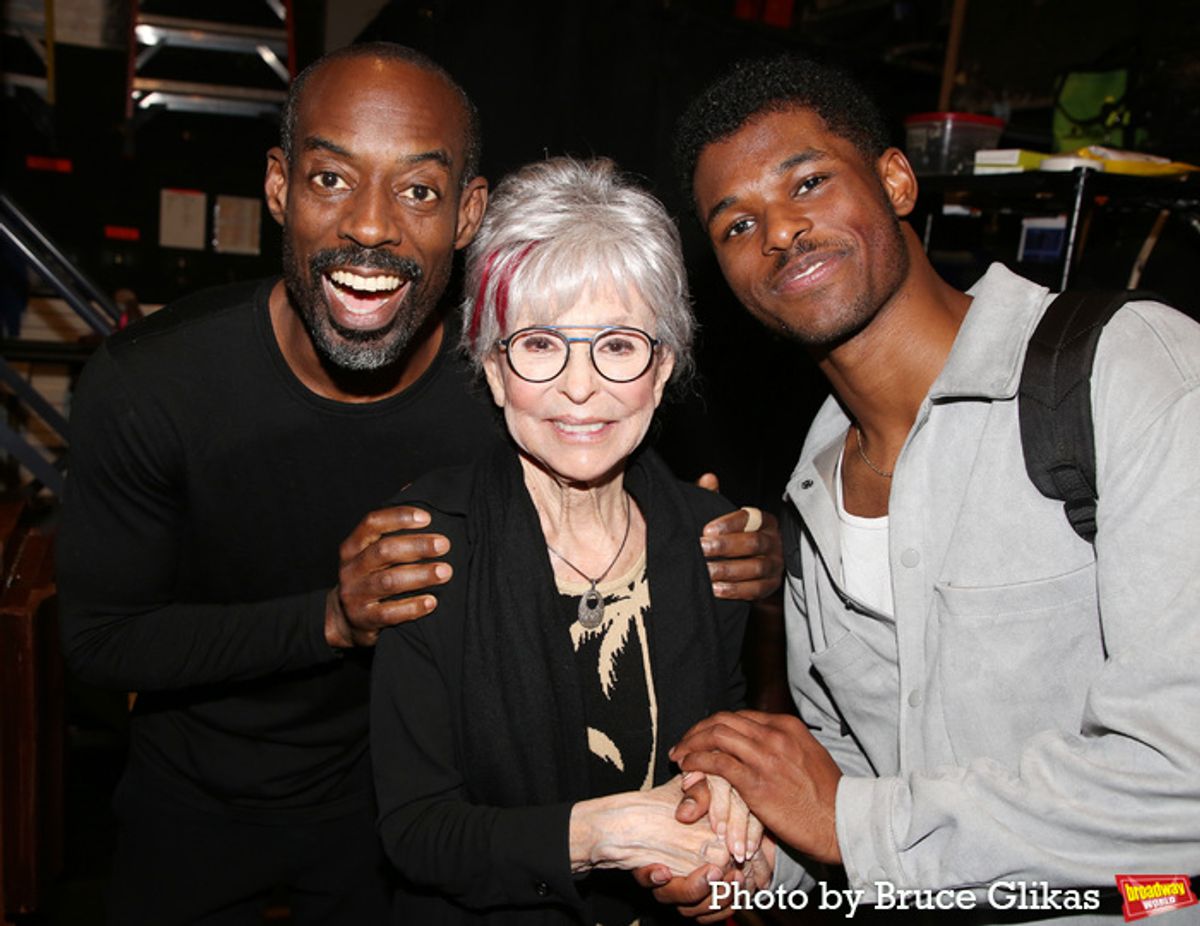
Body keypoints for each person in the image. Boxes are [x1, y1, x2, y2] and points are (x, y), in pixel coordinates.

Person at [55, 44, 780, 925]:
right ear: (279, 187)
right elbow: (98, 643)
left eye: (419, 190)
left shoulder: (509, 385)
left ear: (469, 211)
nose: (370, 226)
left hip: (409, 814)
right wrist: (329, 617)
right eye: (331, 180)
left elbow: (612, 452)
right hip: (207, 805)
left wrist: (740, 550)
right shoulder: (154, 387)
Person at [642, 54, 1200, 922]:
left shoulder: (1124, 371)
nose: (780, 233)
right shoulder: (811, 495)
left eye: (810, 183)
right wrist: (751, 868)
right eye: (736, 226)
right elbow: (851, 790)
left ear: (897, 180)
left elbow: (1185, 782)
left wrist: (848, 820)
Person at [371, 155, 761, 925]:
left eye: (617, 345)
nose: (579, 387)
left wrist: (732, 826)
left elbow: (720, 737)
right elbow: (415, 832)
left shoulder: (712, 540)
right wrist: (600, 834)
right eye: (541, 344)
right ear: (493, 369)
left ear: (662, 370)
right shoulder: (429, 544)